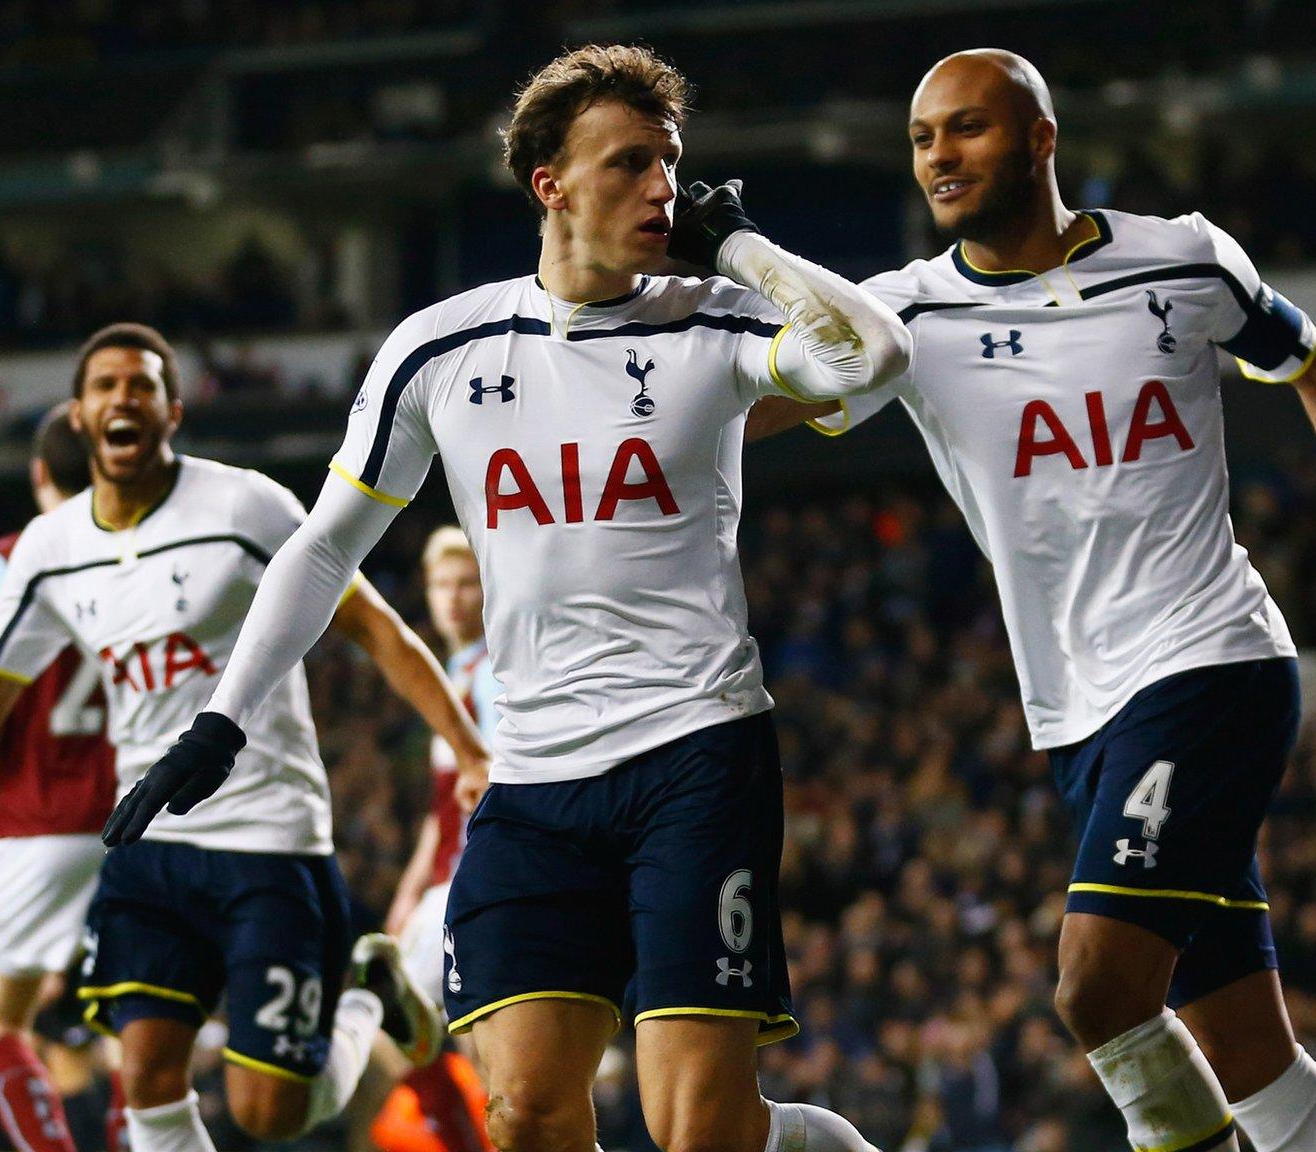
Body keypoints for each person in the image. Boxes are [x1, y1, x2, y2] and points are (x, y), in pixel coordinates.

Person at [98, 43, 909, 1152]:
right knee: (522, 1112)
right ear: (550, 185)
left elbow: (874, 357)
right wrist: (221, 717)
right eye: (627, 163)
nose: (660, 188)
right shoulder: (439, 348)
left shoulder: (713, 320)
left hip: (694, 754)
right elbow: (327, 547)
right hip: (530, 781)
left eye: (668, 162)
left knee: (696, 1129)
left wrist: (747, 246)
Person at [750, 48, 1316, 1152]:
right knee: (1251, 1057)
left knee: (1096, 990)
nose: (939, 157)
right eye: (923, 138)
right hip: (1076, 711)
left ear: (1038, 139)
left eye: (966, 129)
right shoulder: (902, 318)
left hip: (1209, 661)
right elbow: (738, 420)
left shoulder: (1179, 259)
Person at [0, 322, 491, 1152]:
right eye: (106, 386)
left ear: (173, 413)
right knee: (150, 1082)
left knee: (269, 1113)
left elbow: (372, 627)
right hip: (148, 841)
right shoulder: (49, 551)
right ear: (81, 417)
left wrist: (470, 746)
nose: (124, 397)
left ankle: (369, 1001)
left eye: (143, 385)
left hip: (270, 837)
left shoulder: (245, 505)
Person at [0, 401, 124, 1152]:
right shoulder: (146, 548)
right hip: (138, 819)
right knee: (129, 1022)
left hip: (39, 821)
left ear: (37, 471)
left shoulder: (5, 561)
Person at [377, 526, 499, 1152]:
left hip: (481, 882)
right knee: (400, 1025)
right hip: (444, 883)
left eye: (466, 583)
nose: (452, 598)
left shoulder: (498, 671)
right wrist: (408, 894)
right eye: (441, 584)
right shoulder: (453, 671)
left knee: (481, 1045)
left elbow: (500, 782)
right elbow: (439, 812)